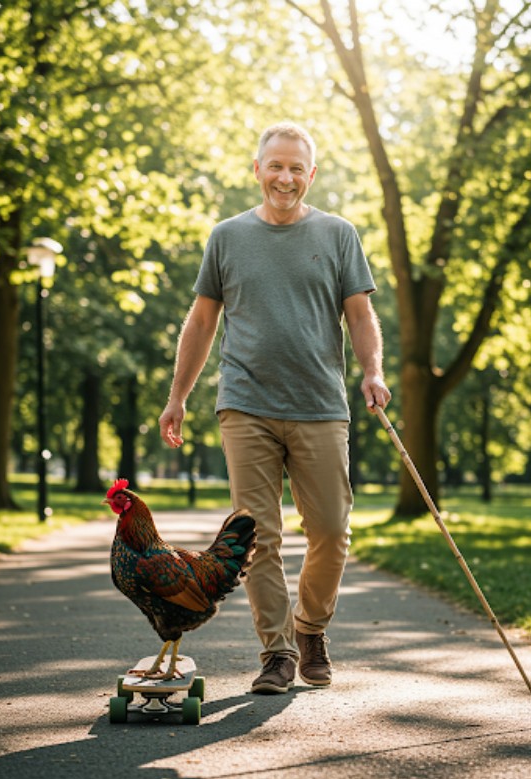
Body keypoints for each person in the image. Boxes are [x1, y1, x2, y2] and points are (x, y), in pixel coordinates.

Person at [158, 121, 391, 694]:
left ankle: (310, 628)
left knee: (332, 531)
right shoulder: (228, 237)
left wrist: (373, 372)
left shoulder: (339, 234)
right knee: (257, 535)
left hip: (320, 404)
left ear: (310, 176)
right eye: (275, 165)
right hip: (245, 403)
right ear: (257, 170)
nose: (284, 177)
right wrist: (178, 397)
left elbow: (360, 315)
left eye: (296, 168)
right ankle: (278, 654)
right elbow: (203, 321)